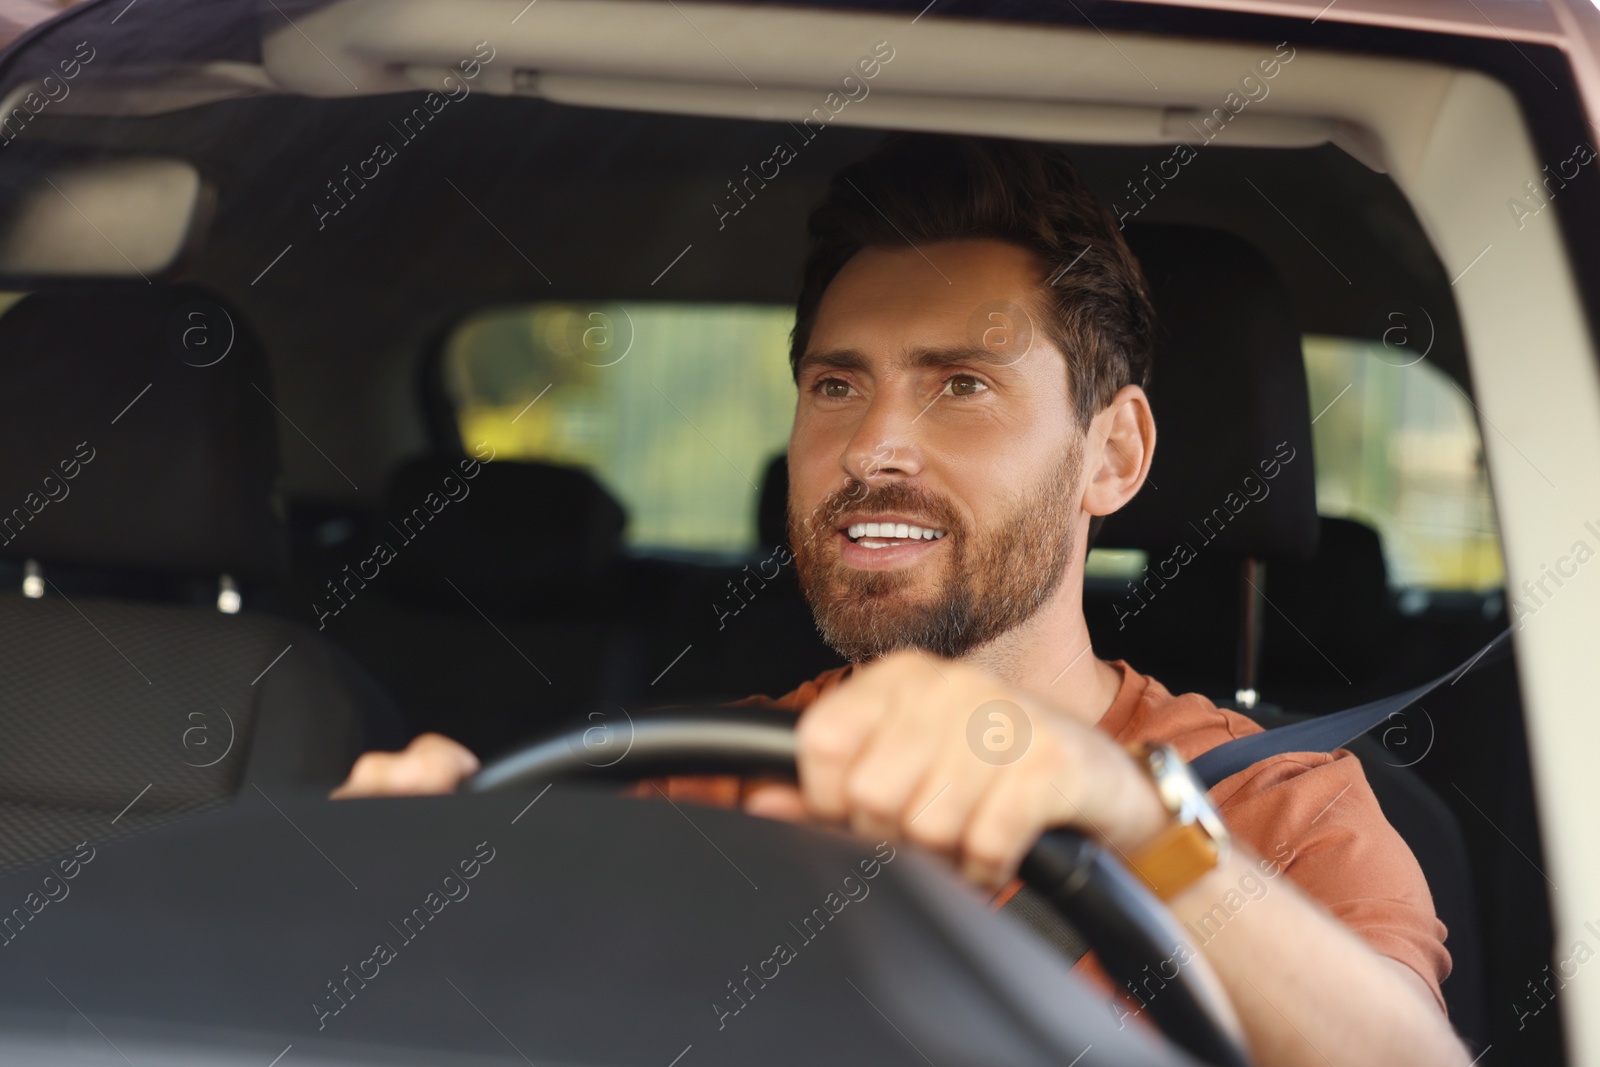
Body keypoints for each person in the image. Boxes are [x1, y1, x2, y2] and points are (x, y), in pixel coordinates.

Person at [333, 134, 1469, 1064]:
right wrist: (380, 912)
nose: (872, 445)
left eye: (961, 385)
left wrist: (1129, 820)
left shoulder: (1279, 807)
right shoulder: (699, 778)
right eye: (837, 384)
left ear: (1112, 453)